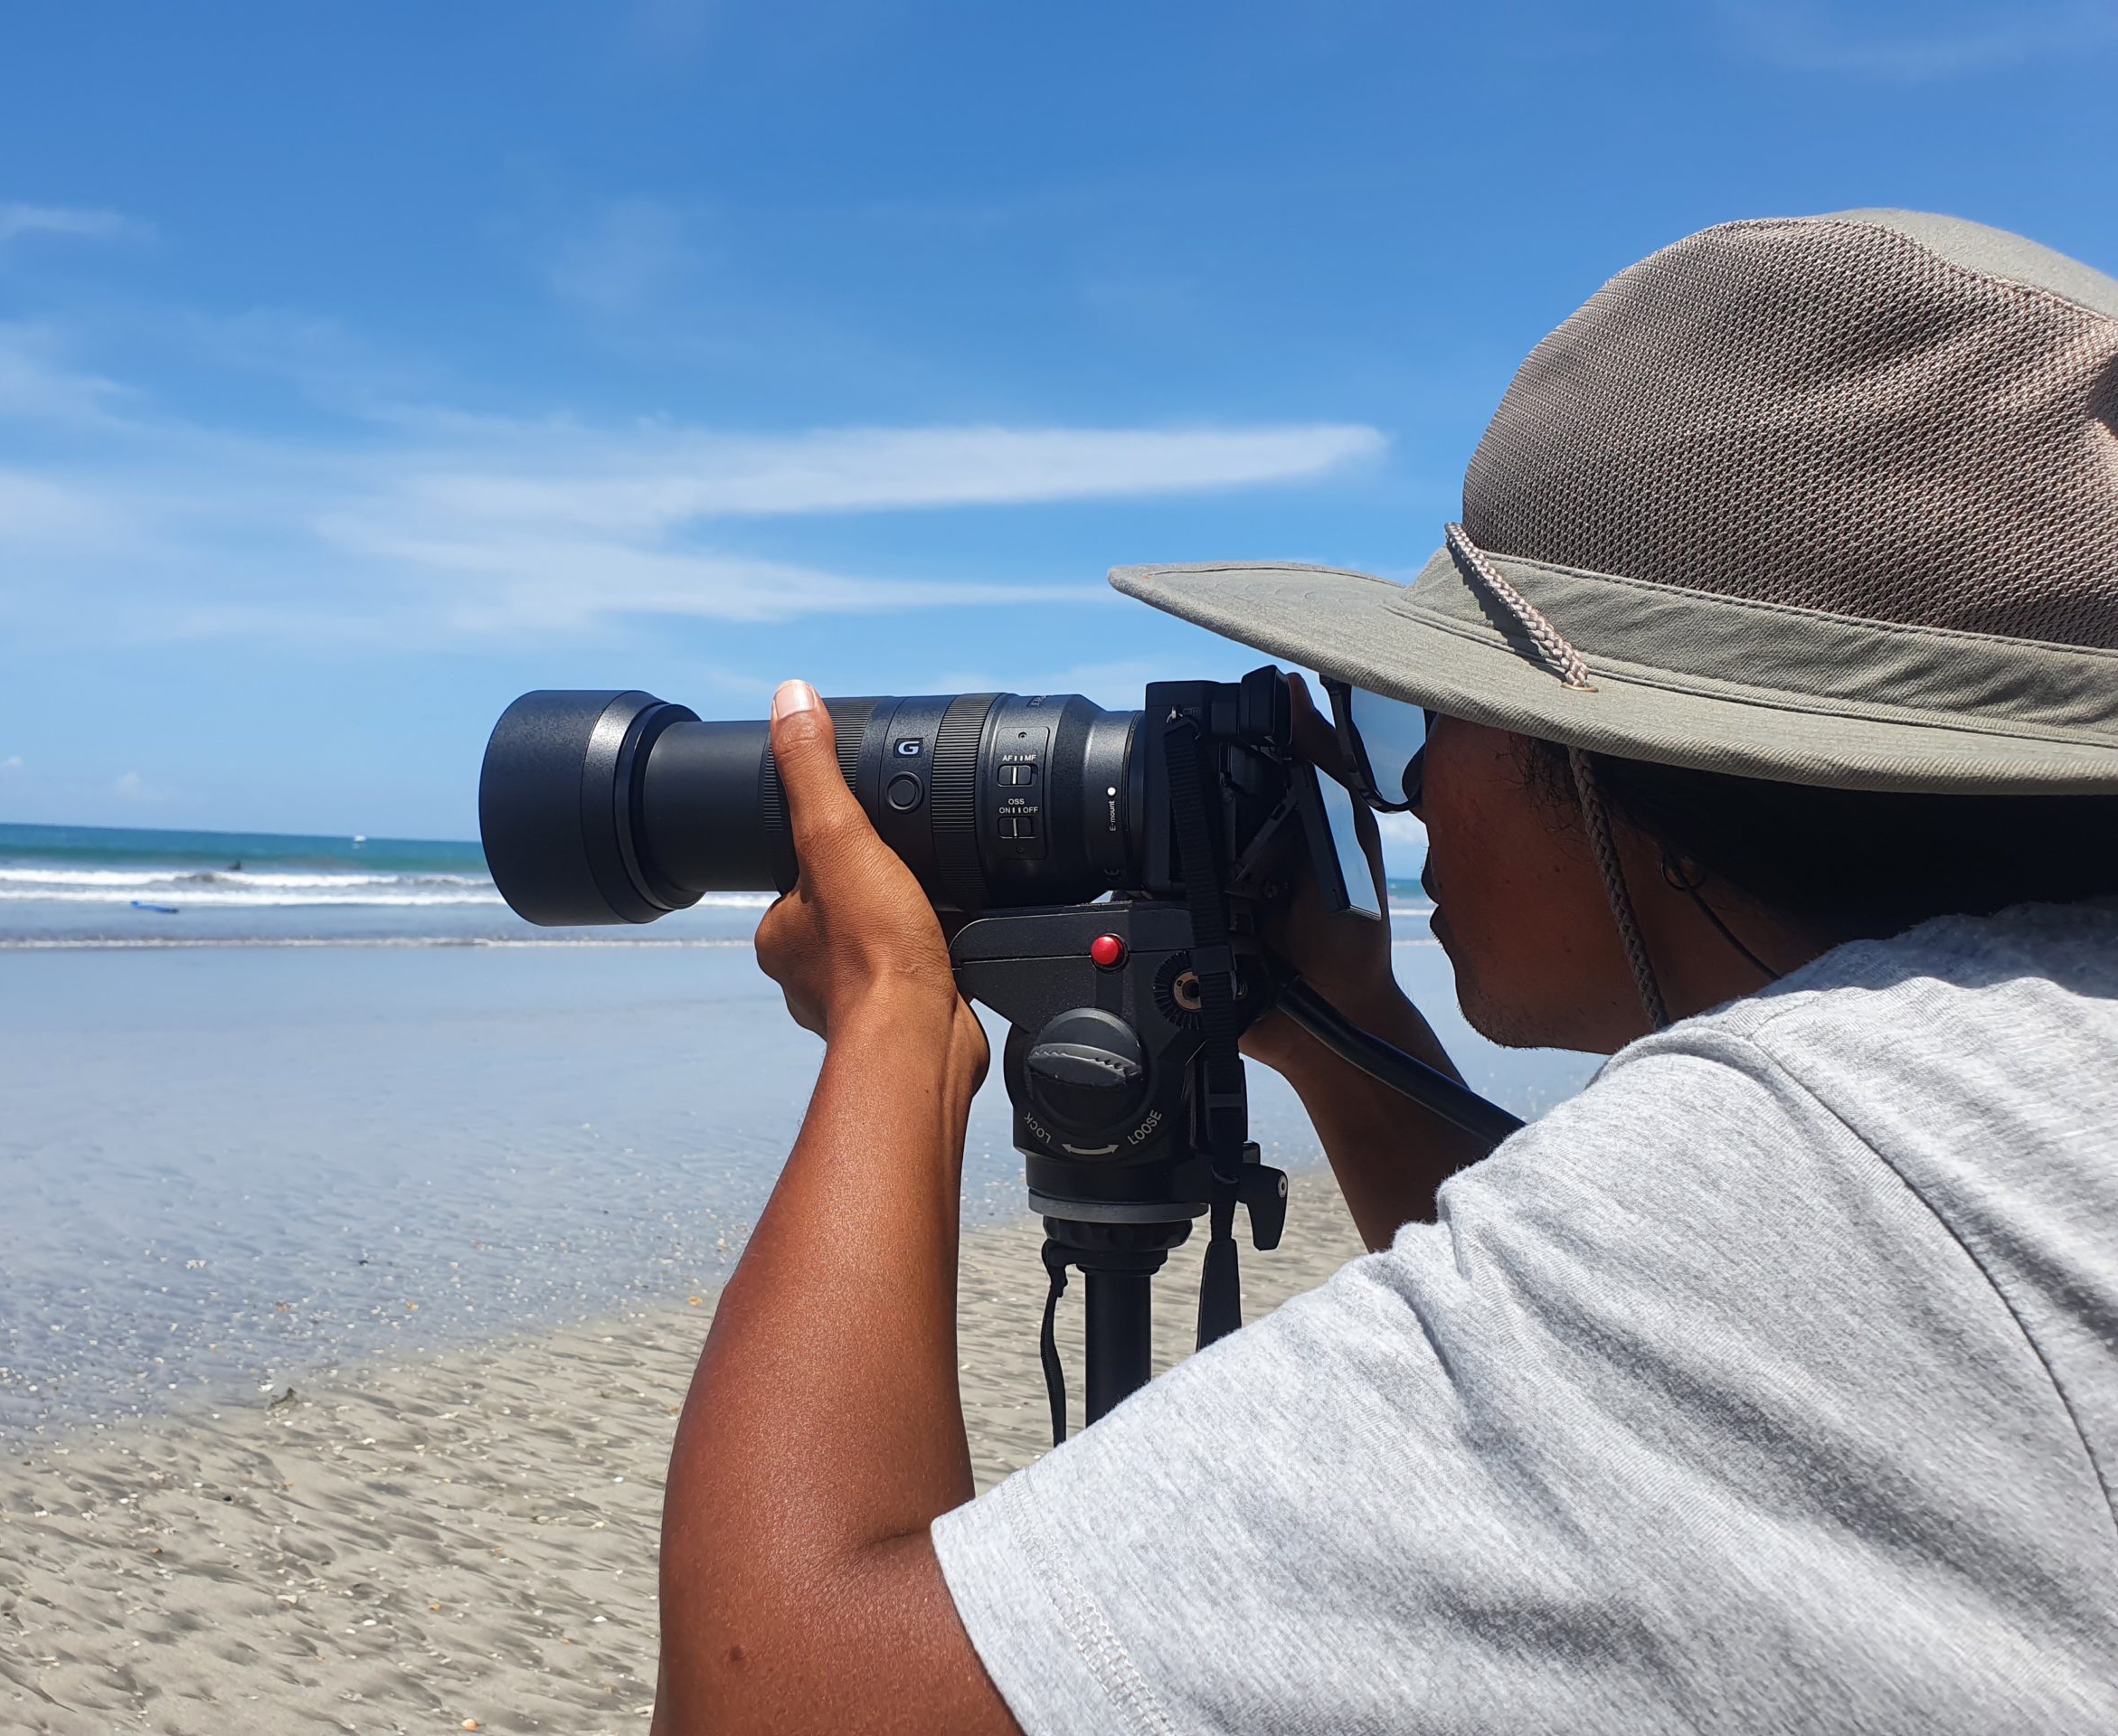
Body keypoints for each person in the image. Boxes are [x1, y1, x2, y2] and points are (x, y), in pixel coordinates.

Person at [651, 211, 2118, 1731]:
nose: (1401, 796)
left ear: (1619, 764)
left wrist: (891, 1020)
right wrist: (1348, 1024)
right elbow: (1601, 1427)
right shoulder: (2005, 1089)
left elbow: (774, 1700)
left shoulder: (1820, 1162)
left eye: (1429, 718)